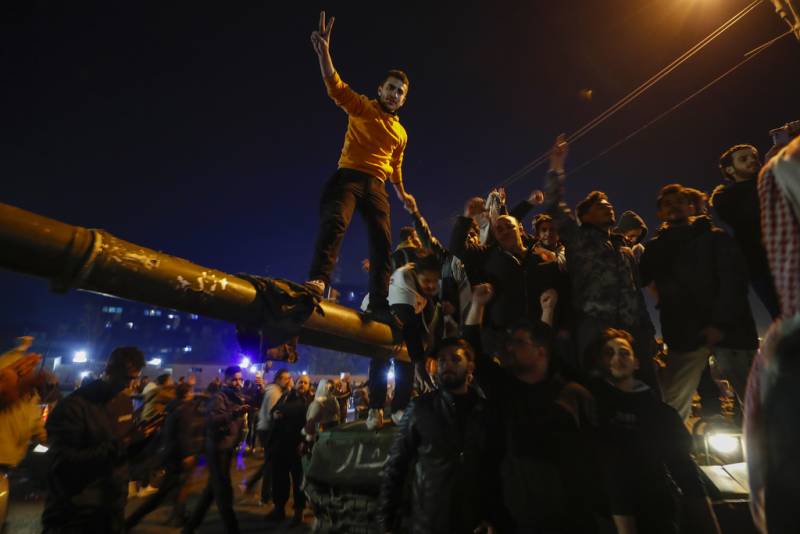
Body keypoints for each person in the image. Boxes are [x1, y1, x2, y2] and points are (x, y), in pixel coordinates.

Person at [305, 11, 415, 322]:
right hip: (350, 178)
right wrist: (324, 54)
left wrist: (403, 194)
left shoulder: (401, 133)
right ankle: (318, 279)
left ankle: (379, 302)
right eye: (391, 88)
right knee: (336, 221)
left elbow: (395, 165)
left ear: (403, 100)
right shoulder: (363, 108)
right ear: (380, 90)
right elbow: (336, 88)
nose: (394, 94)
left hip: (377, 186)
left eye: (400, 92)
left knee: (382, 243)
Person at [465, 284, 598, 532]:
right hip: (517, 515)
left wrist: (548, 311)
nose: (508, 347)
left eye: (518, 342)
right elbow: (472, 348)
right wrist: (477, 305)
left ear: (540, 352)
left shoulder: (567, 391)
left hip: (567, 516)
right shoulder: (503, 387)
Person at [543, 135, 659, 393]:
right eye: (601, 207)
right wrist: (556, 167)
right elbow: (552, 204)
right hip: (595, 326)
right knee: (598, 390)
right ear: (584, 216)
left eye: (610, 206)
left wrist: (647, 331)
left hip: (633, 327)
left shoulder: (623, 249)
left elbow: (636, 293)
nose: (609, 209)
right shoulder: (578, 239)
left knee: (647, 389)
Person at [640, 184, 758, 419]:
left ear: (691, 206)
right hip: (683, 335)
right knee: (674, 405)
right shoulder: (654, 248)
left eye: (679, 201)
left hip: (731, 332)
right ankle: (677, 444)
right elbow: (644, 279)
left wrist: (720, 324)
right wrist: (666, 302)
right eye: (667, 204)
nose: (674, 206)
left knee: (755, 401)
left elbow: (734, 282)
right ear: (659, 213)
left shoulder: (715, 238)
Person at [587, 328, 721, 534]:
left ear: (636, 363)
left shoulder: (661, 413)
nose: (617, 358)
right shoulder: (592, 407)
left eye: (624, 352)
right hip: (603, 517)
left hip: (656, 513)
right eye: (609, 353)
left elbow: (684, 469)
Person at [379, 336, 500, 534]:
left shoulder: (484, 412)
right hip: (427, 522)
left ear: (470, 366)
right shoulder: (420, 408)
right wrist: (387, 523)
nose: (447, 365)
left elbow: (492, 468)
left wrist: (491, 516)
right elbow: (396, 466)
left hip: (472, 523)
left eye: (456, 359)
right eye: (442, 360)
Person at [42, 346, 150, 534]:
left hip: (112, 505)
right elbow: (63, 463)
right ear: (109, 370)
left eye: (135, 378)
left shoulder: (124, 402)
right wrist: (118, 446)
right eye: (126, 378)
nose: (130, 385)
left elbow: (124, 453)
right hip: (76, 511)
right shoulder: (72, 407)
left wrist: (144, 441)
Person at [450, 202, 561, 357]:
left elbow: (559, 290)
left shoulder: (543, 256)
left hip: (538, 336)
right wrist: (467, 217)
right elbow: (457, 248)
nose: (505, 231)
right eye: (499, 229)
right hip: (503, 340)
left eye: (509, 226)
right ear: (495, 236)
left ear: (519, 229)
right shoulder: (487, 255)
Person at [365, 252, 443, 429]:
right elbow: (408, 323)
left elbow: (431, 322)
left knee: (406, 361)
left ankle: (399, 408)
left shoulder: (429, 288)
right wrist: (420, 360)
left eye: (434, 281)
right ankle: (375, 408)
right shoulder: (404, 278)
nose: (431, 285)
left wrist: (430, 353)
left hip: (404, 320)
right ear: (417, 274)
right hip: (384, 317)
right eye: (427, 280)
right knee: (381, 358)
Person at [711, 143, 780, 318]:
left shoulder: (775, 179)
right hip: (762, 267)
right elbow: (750, 213)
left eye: (754, 157)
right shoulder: (723, 197)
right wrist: (769, 171)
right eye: (743, 159)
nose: (752, 160)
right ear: (730, 170)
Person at [124, 382, 204, 529]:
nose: (193, 394)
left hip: (172, 454)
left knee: (178, 488)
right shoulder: (183, 409)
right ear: (187, 393)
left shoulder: (172, 406)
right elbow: (183, 433)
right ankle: (131, 521)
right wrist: (188, 454)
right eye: (191, 391)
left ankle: (178, 516)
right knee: (167, 493)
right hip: (180, 456)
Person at [183, 366, 250, 534]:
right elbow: (212, 421)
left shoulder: (236, 396)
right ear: (226, 380)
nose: (238, 382)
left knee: (212, 490)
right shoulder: (219, 397)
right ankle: (232, 529)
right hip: (217, 449)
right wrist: (235, 414)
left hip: (226, 448)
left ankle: (190, 527)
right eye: (234, 379)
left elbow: (253, 400)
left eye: (240, 379)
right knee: (223, 492)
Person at [0, 337, 47, 527]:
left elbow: (37, 426)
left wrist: (47, 439)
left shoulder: (30, 398)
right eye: (24, 369)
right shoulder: (6, 394)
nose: (29, 371)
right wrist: (20, 351)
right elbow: (6, 372)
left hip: (7, 466)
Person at [266, 373, 312, 525]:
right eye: (300, 382)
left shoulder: (310, 401)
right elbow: (273, 411)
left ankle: (299, 512)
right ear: (295, 383)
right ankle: (279, 509)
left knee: (298, 480)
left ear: (309, 386)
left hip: (298, 446)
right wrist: (275, 414)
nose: (302, 385)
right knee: (279, 479)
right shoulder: (286, 397)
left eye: (305, 383)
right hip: (281, 445)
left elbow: (311, 423)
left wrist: (305, 442)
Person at [244, 369, 292, 503]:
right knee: (270, 464)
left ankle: (255, 487)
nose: (288, 381)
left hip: (266, 429)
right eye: (285, 378)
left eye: (289, 378)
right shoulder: (274, 393)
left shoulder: (275, 390)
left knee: (270, 462)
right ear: (278, 379)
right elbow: (274, 414)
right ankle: (265, 495)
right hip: (267, 430)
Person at [304, 378, 341, 443]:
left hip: (327, 428)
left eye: (331, 387)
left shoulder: (331, 399)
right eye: (327, 387)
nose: (328, 389)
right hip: (323, 428)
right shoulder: (330, 400)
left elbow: (310, 417)